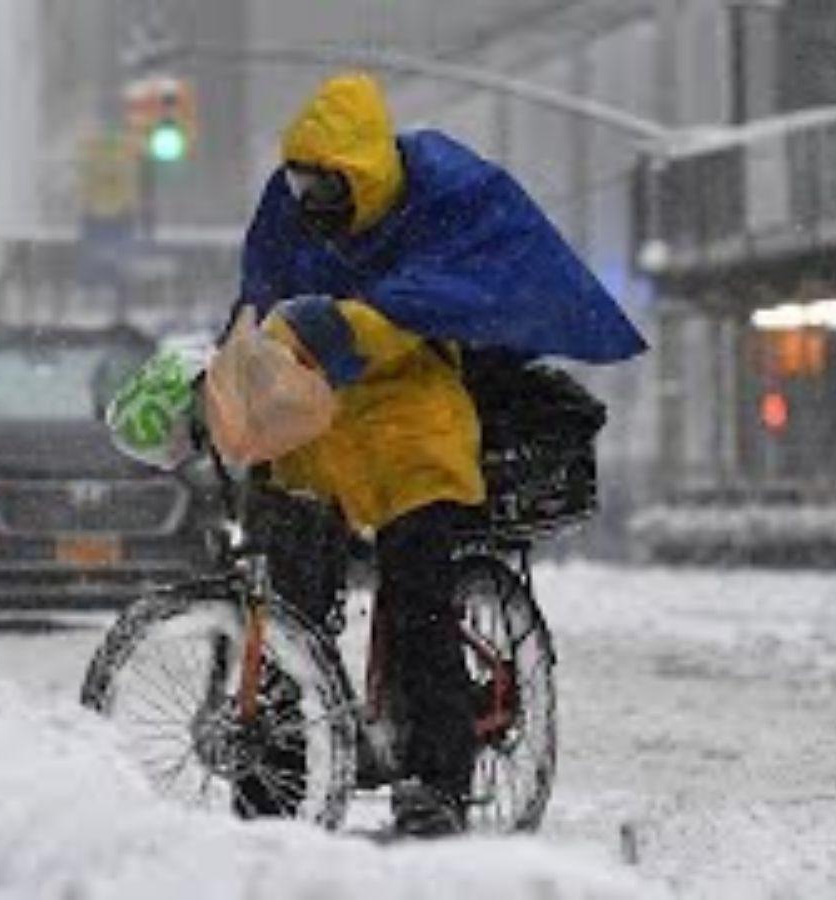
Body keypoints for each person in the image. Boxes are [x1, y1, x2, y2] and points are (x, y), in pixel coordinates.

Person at [229, 70, 646, 837]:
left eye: (326, 184)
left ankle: (439, 780)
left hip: (412, 426)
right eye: (301, 181)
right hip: (319, 423)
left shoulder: (442, 195)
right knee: (285, 592)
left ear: (362, 173)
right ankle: (271, 772)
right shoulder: (290, 211)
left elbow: (436, 295)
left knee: (420, 600)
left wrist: (343, 325)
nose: (310, 199)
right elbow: (258, 300)